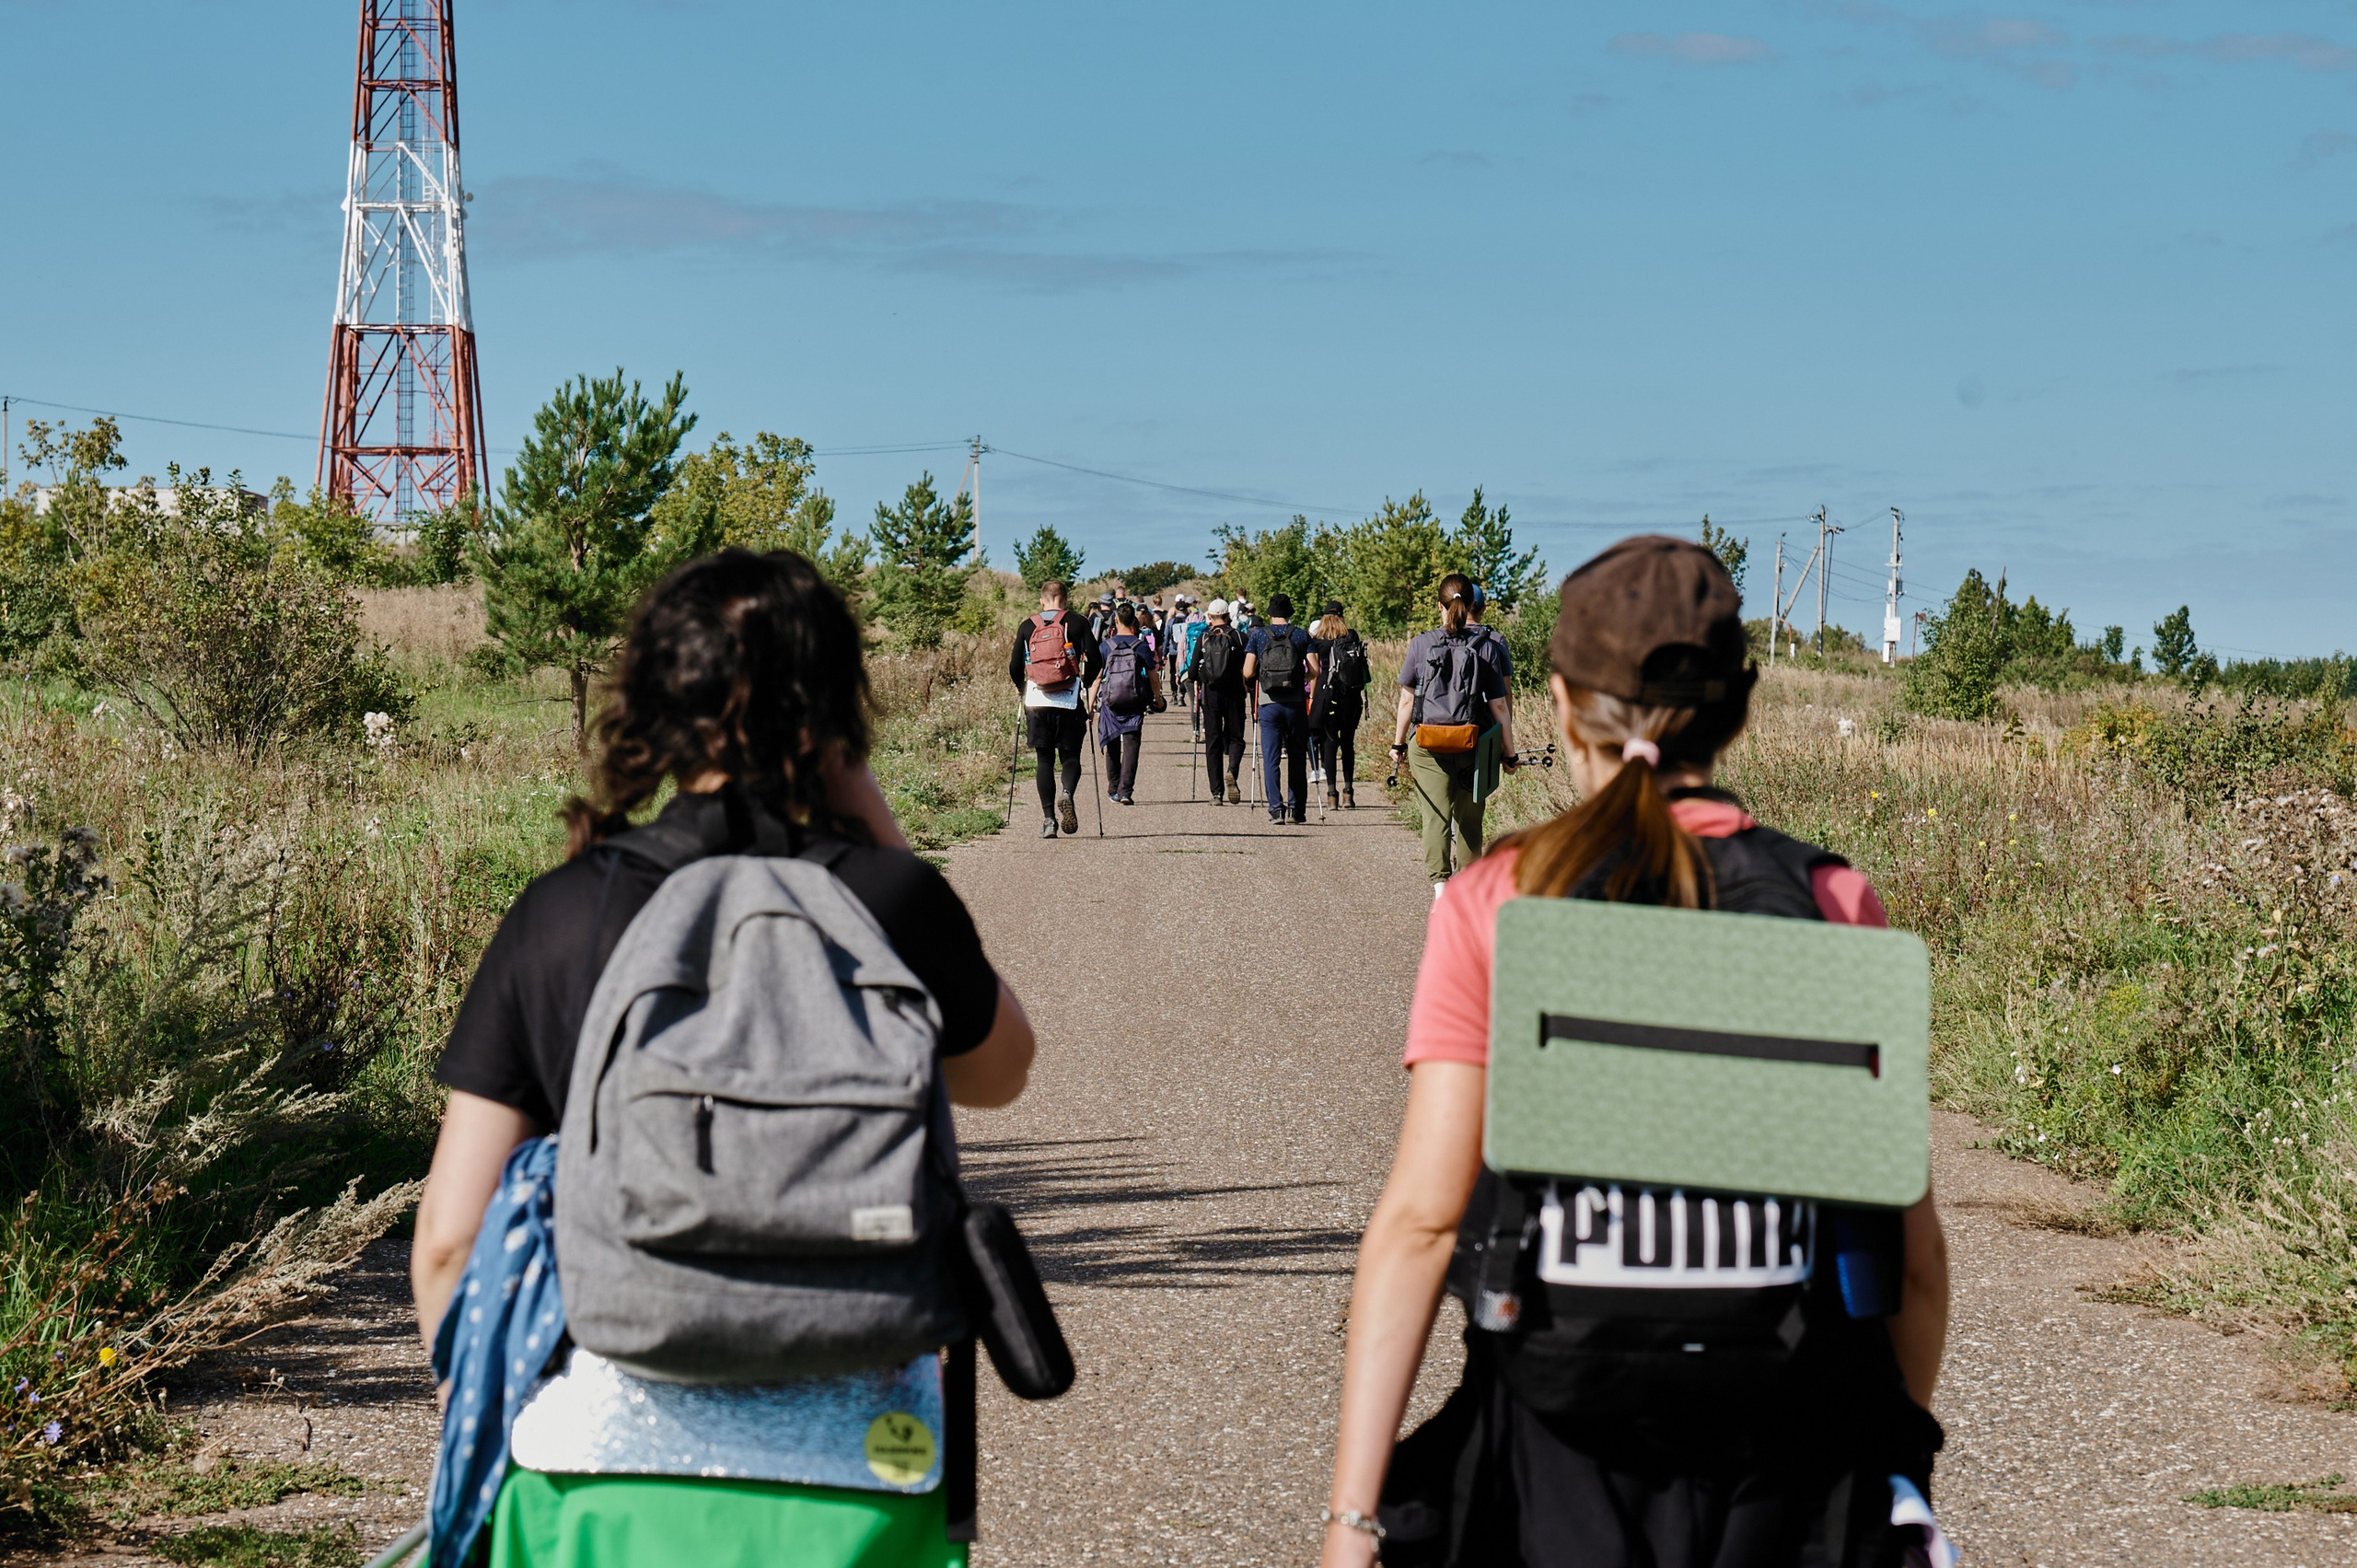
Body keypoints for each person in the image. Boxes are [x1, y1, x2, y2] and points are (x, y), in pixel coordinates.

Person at [1320, 537, 1950, 1568]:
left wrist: (1350, 1523)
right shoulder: (1832, 904)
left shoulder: (1498, 899)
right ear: (1738, 709)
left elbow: (1424, 1221)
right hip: (1781, 1464)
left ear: (1564, 705)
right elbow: (1912, 1261)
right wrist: (1892, 1465)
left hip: (1551, 1459)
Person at [414, 548, 1039, 1567]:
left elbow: (449, 1239)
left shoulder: (563, 915)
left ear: (653, 703)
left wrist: (487, 1417)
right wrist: (872, 822)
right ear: (836, 711)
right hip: (868, 1481)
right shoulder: (886, 903)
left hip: (595, 1474)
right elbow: (998, 1070)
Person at [1390, 574, 1513, 891]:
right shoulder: (1486, 647)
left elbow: (1406, 701)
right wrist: (1508, 752)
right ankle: (1468, 893)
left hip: (1428, 744)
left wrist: (1398, 743)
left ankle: (1441, 892)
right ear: (1472, 606)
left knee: (1436, 818)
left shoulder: (1421, 643)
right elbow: (1499, 707)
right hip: (1474, 742)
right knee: (1470, 820)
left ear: (1439, 606)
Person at [1010, 579, 1104, 838]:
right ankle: (1067, 794)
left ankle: (1049, 820)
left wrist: (1022, 687)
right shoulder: (1077, 622)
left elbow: (1014, 667)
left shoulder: (1028, 625)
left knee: (1045, 760)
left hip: (1038, 701)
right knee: (1070, 756)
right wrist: (1083, 683)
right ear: (1065, 599)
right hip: (1069, 699)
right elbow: (1097, 659)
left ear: (1042, 600)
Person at [1244, 592, 1319, 825]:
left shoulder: (1258, 636)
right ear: (1290, 613)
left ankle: (1276, 810)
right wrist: (1300, 679)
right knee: (1297, 757)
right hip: (1295, 703)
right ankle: (1297, 810)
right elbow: (1315, 670)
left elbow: (1247, 672)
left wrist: (1265, 678)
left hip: (1268, 704)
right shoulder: (1301, 635)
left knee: (1271, 757)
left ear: (1269, 613)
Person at [1093, 601, 1161, 806]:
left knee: (1112, 742)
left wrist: (1089, 705)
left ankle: (1113, 788)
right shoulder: (1140, 647)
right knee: (1132, 745)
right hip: (1134, 700)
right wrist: (1157, 698)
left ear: (1115, 620)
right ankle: (1125, 791)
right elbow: (1153, 676)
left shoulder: (1105, 646)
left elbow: (1097, 678)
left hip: (1110, 701)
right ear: (1134, 622)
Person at [1309, 599, 1369, 811]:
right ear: (1342, 616)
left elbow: (1315, 671)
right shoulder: (1351, 636)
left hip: (1330, 698)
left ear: (1324, 617)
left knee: (1330, 743)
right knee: (1348, 744)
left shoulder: (1319, 641)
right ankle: (1349, 794)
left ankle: (1332, 795)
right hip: (1351, 698)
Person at [1192, 598, 1248, 804]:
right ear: (1228, 616)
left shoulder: (1204, 638)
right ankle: (1232, 770)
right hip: (1234, 693)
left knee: (1213, 742)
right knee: (1236, 737)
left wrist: (1200, 675)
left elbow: (1191, 673)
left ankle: (1217, 793)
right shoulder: (1239, 637)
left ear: (1209, 617)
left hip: (1211, 694)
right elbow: (1249, 667)